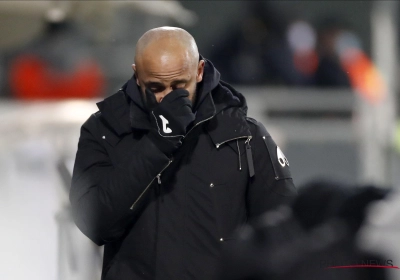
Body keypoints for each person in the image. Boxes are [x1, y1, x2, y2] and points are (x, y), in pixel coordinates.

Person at [70, 26, 296, 280]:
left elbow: (284, 230)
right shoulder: (105, 130)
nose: (168, 99)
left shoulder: (243, 134)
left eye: (179, 86)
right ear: (137, 76)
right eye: (155, 87)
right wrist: (157, 145)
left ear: (199, 71)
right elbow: (94, 224)